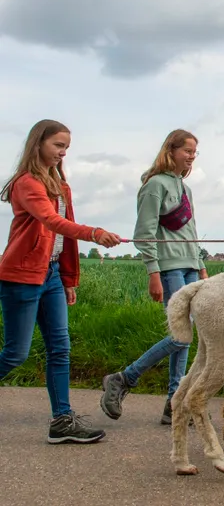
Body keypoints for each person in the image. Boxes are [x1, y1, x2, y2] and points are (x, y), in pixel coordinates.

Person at [0, 119, 121, 443]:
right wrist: (95, 233)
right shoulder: (26, 183)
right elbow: (51, 221)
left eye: (66, 147)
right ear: (38, 143)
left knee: (60, 348)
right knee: (16, 354)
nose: (62, 152)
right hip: (22, 277)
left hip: (51, 275)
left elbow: (63, 235)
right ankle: (62, 419)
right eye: (58, 145)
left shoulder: (59, 185)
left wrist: (68, 278)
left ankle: (61, 421)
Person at [100, 129, 208, 425]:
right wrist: (153, 273)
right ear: (170, 150)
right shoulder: (155, 186)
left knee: (185, 336)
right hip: (169, 267)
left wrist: (200, 266)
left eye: (194, 152)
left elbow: (192, 232)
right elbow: (144, 234)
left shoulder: (186, 190)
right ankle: (125, 378)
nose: (191, 157)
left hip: (189, 266)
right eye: (187, 150)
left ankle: (174, 402)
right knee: (181, 335)